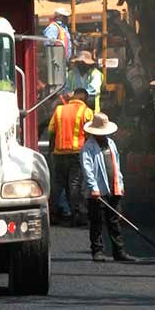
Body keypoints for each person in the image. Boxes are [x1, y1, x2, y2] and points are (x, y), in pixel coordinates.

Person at [81, 112, 136, 262]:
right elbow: (87, 169)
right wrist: (93, 187)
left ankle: (119, 252)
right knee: (96, 222)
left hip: (114, 188)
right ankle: (97, 251)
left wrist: (120, 183)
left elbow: (116, 164)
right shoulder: (88, 147)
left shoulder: (111, 143)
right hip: (97, 191)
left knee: (114, 221)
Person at [48, 88, 94, 225]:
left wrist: (51, 149)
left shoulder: (59, 110)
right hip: (76, 153)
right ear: (85, 99)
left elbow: (51, 131)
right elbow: (90, 134)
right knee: (74, 184)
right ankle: (77, 215)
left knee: (58, 184)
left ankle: (52, 214)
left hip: (59, 153)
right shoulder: (86, 111)